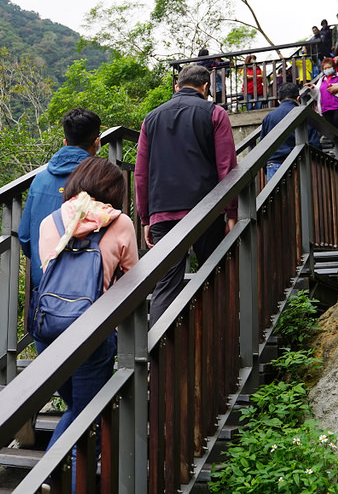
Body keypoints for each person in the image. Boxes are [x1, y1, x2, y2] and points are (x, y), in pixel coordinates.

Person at [36, 157, 138, 481]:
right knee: (86, 417)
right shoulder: (120, 223)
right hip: (91, 334)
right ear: (115, 192)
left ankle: (51, 477)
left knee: (77, 409)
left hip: (48, 333)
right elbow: (133, 284)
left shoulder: (49, 221)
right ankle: (52, 478)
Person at [136, 64, 238, 325]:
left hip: (163, 212)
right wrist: (231, 212)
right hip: (206, 210)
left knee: (166, 285)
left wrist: (146, 217)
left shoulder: (151, 118)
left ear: (176, 86)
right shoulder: (215, 113)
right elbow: (226, 167)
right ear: (205, 87)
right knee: (215, 275)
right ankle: (219, 342)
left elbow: (141, 173)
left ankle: (157, 359)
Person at [19, 107, 101, 343]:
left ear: (65, 141)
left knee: (50, 375)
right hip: (89, 294)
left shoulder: (41, 179)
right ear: (97, 142)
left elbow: (25, 237)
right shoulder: (100, 179)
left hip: (46, 294)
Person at [261, 82, 321, 182]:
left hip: (274, 164)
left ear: (279, 101)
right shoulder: (304, 115)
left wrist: (265, 166)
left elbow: (262, 145)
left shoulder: (269, 117)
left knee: (277, 197)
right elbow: (314, 143)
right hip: (300, 163)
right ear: (298, 98)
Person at [307, 57, 338, 135]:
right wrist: (312, 88)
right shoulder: (321, 80)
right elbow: (317, 94)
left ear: (333, 67)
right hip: (325, 107)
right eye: (325, 68)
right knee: (330, 125)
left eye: (329, 67)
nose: (327, 69)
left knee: (337, 120)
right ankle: (335, 143)